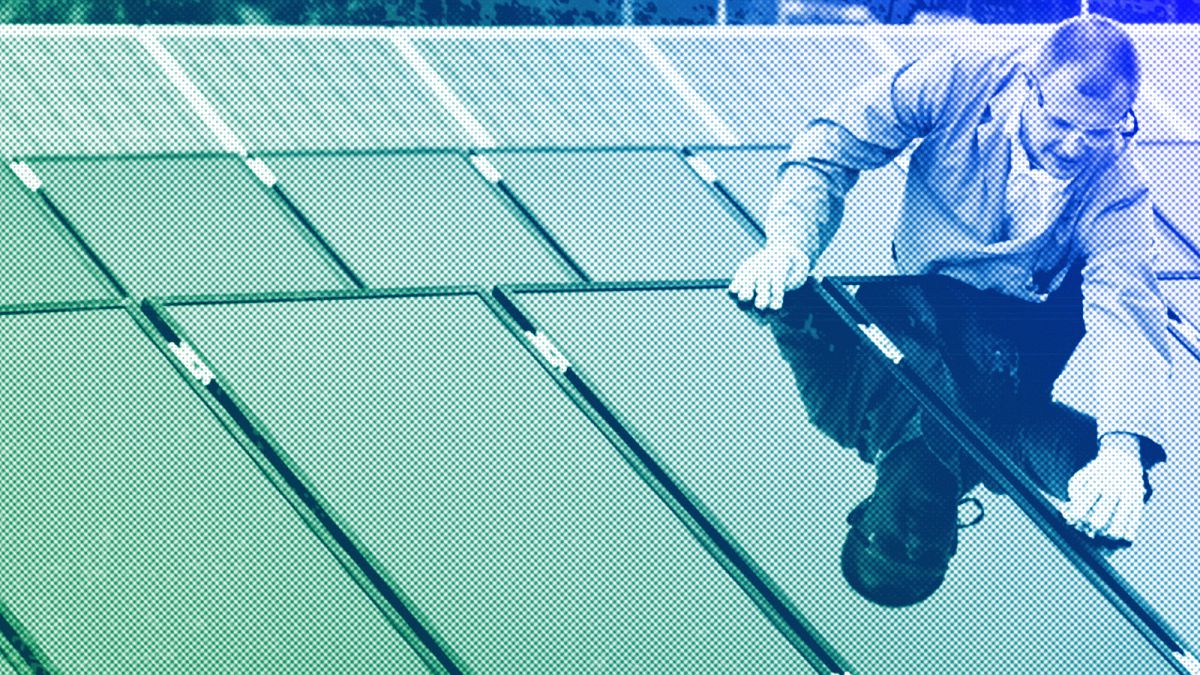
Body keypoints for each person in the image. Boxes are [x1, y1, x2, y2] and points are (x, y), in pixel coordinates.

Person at [728, 14, 1172, 567]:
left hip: (1026, 302)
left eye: (1103, 131)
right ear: (1028, 85)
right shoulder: (960, 76)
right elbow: (835, 141)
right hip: (935, 275)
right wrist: (789, 245)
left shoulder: (839, 410)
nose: (1077, 146)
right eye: (1061, 123)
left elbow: (1125, 306)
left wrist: (1122, 450)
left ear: (862, 516)